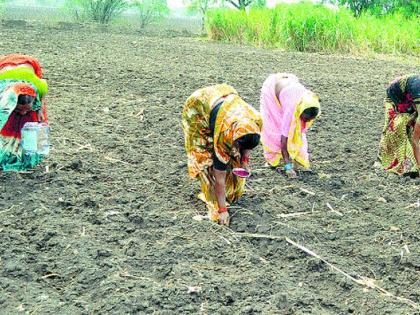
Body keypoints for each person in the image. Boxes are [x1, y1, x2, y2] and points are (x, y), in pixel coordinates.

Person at [182, 84, 262, 226]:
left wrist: (244, 161)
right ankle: (214, 200)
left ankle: (228, 193)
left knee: (234, 158)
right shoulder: (225, 136)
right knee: (205, 159)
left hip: (223, 98)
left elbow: (247, 143)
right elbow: (220, 177)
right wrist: (222, 210)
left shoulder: (255, 122)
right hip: (198, 109)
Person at [260, 73, 320, 178]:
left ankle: (297, 158)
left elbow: (298, 131)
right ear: (301, 112)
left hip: (290, 87)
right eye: (305, 119)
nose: (306, 122)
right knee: (275, 128)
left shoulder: (309, 100)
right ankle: (273, 159)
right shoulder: (291, 109)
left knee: (296, 130)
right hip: (272, 92)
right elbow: (284, 140)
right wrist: (288, 167)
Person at [0, 54, 49, 172]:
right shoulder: (3, 92)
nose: (23, 113)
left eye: (27, 109)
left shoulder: (40, 87)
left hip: (29, 68)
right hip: (6, 69)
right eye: (18, 109)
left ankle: (26, 158)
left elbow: (41, 99)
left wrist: (39, 109)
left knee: (32, 121)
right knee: (8, 122)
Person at [378, 75, 420, 176]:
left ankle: (412, 163)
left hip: (412, 92)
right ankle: (394, 163)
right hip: (396, 94)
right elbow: (415, 141)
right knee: (400, 127)